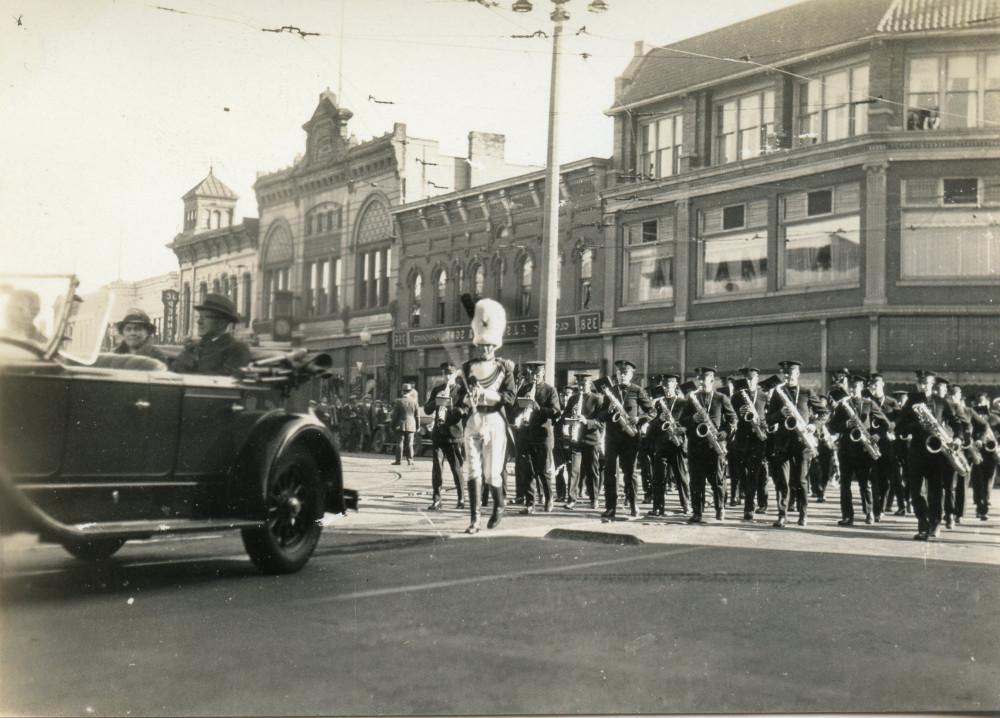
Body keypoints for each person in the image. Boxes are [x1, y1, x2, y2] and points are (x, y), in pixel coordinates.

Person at [454, 295, 515, 534]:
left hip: (495, 421)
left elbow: (509, 398)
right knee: (472, 470)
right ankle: (474, 519)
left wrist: (488, 395)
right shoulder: (468, 367)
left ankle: (499, 505)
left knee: (492, 473)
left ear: (496, 345)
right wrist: (467, 398)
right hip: (473, 420)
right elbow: (460, 396)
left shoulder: (504, 368)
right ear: (478, 344)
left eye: (490, 345)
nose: (486, 349)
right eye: (483, 345)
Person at [896, 370, 969, 540]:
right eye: (922, 384)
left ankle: (935, 524)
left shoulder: (941, 402)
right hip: (916, 452)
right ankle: (923, 524)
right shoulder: (910, 403)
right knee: (916, 492)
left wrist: (957, 438)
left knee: (936, 491)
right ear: (917, 384)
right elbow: (900, 428)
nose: (925, 387)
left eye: (928, 384)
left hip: (937, 453)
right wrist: (916, 426)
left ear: (932, 385)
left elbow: (957, 423)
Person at [594, 360, 654, 520]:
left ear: (631, 374)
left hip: (631, 437)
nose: (621, 375)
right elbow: (599, 416)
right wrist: (608, 411)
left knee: (630, 473)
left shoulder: (638, 390)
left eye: (625, 373)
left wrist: (640, 419)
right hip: (612, 438)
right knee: (610, 473)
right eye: (619, 373)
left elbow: (652, 412)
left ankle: (634, 504)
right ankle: (610, 508)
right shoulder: (610, 392)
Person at [766, 359, 822, 528]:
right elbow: (768, 419)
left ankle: (803, 514)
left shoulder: (806, 391)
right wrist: (779, 414)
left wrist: (814, 425)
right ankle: (782, 515)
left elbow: (824, 412)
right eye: (785, 373)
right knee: (783, 480)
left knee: (801, 480)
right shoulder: (778, 393)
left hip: (802, 442)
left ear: (797, 374)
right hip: (783, 443)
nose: (788, 376)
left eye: (791, 373)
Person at [679, 367, 737, 523]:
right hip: (696, 446)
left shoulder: (721, 398)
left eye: (703, 379)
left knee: (717, 480)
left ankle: (720, 509)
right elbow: (682, 421)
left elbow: (733, 420)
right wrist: (693, 419)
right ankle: (697, 512)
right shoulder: (692, 398)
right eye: (698, 379)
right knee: (696, 481)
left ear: (711, 380)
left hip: (714, 445)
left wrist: (724, 434)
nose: (700, 382)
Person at [829, 375, 886, 526]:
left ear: (862, 388)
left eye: (857, 387)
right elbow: (832, 426)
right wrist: (846, 424)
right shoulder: (842, 405)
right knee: (845, 484)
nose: (854, 390)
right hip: (846, 450)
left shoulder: (869, 403)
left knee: (865, 484)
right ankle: (848, 516)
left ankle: (869, 513)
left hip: (863, 449)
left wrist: (877, 435)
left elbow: (884, 423)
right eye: (852, 388)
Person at [513, 360, 561, 514]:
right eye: (532, 373)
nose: (534, 376)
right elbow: (514, 409)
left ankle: (548, 498)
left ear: (543, 373)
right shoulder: (524, 389)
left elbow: (555, 411)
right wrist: (519, 411)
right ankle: (530, 503)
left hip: (542, 435)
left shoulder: (550, 390)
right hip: (525, 434)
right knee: (527, 470)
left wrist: (537, 406)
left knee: (544, 470)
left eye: (537, 373)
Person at [729, 368, 774, 522]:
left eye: (752, 378)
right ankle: (755, 502)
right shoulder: (736, 396)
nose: (749, 381)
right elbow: (730, 416)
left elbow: (769, 416)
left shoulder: (763, 396)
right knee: (742, 474)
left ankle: (750, 507)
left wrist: (763, 425)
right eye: (747, 378)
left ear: (757, 379)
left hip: (758, 438)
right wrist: (738, 412)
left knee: (755, 474)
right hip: (742, 439)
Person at [171, 293, 251, 376]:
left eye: (206, 317)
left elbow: (225, 381)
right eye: (199, 316)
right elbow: (175, 370)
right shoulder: (192, 348)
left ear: (222, 323)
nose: (199, 322)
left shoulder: (236, 349)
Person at [423, 362, 465, 510]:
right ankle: (436, 499)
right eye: (444, 374)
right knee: (437, 468)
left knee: (456, 468)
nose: (447, 376)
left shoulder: (460, 390)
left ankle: (461, 498)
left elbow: (464, 411)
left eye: (450, 374)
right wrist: (436, 401)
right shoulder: (437, 390)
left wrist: (452, 407)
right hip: (438, 434)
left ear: (454, 375)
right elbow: (427, 410)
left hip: (453, 435)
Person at [647, 373, 689, 517]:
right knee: (658, 477)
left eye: (669, 385)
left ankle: (686, 504)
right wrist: (658, 419)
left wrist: (680, 429)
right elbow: (651, 424)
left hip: (677, 443)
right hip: (662, 443)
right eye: (664, 386)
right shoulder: (658, 403)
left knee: (681, 476)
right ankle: (658, 507)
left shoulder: (683, 403)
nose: (666, 388)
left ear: (675, 385)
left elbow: (688, 423)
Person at [565, 373, 603, 510]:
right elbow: (565, 415)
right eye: (579, 384)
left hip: (591, 440)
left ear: (590, 384)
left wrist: (586, 421)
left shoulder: (597, 399)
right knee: (574, 471)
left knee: (592, 471)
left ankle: (594, 499)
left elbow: (601, 422)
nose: (581, 387)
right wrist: (569, 420)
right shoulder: (573, 399)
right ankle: (571, 499)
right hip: (576, 439)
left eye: (584, 384)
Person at [970, 393, 999, 520]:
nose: (979, 405)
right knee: (977, 480)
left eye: (982, 402)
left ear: (988, 402)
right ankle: (980, 506)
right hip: (977, 451)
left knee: (988, 480)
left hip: (991, 453)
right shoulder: (972, 417)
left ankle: (984, 504)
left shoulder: (995, 418)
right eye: (977, 403)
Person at [391, 384, 419, 467]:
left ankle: (398, 460)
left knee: (400, 442)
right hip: (411, 425)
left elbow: (395, 415)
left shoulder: (399, 401)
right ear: (410, 392)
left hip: (400, 425)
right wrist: (418, 426)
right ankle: (410, 460)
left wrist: (392, 425)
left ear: (402, 391)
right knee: (410, 443)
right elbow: (417, 415)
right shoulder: (414, 402)